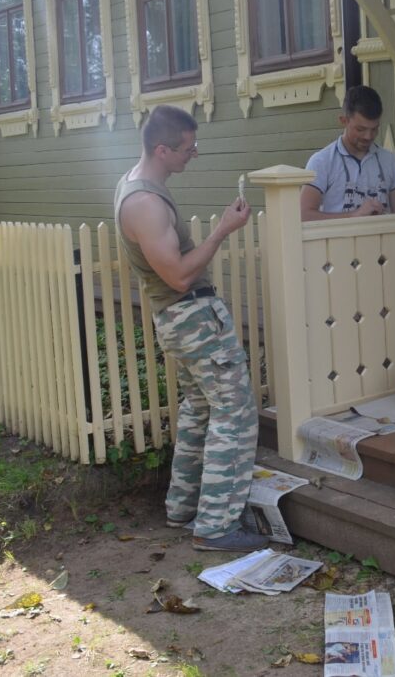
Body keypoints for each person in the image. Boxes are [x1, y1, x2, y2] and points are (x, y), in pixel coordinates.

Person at [114, 105, 269, 553]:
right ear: (161, 149)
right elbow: (178, 276)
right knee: (235, 412)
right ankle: (216, 526)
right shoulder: (145, 204)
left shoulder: (136, 184)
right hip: (192, 317)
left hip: (179, 320)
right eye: (187, 148)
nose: (193, 154)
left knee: (201, 409)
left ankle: (183, 508)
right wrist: (222, 231)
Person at [301, 85, 395, 220]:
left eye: (374, 129)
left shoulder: (389, 160)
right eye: (361, 129)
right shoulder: (322, 161)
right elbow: (303, 215)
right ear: (343, 121)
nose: (368, 136)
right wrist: (354, 215)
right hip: (337, 241)